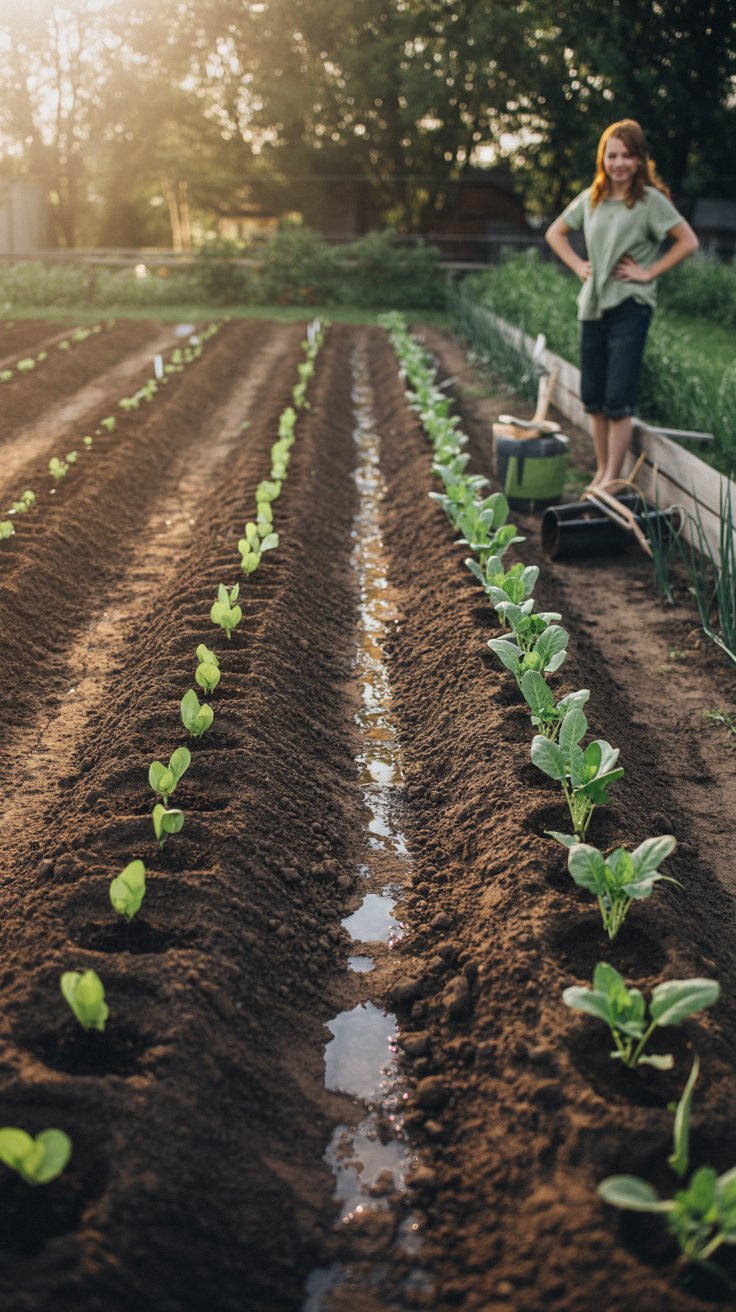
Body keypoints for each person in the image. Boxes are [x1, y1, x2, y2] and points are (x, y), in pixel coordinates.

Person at [545, 118, 699, 493]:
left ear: (639, 160)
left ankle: (613, 477)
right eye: (612, 155)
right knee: (594, 398)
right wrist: (579, 265)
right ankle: (602, 472)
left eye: (627, 156)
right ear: (603, 159)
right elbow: (555, 233)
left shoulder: (650, 202)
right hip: (592, 306)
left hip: (630, 306)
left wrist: (649, 273)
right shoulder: (592, 199)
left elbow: (687, 242)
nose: (619, 163)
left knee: (618, 398)